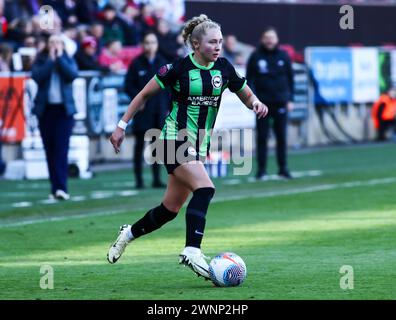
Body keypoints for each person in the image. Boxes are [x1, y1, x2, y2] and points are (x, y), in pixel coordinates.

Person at [106, 14, 268, 280]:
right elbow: (143, 95)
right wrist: (121, 126)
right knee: (205, 189)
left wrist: (256, 104)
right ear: (195, 44)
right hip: (172, 140)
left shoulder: (224, 68)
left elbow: (245, 93)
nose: (218, 47)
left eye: (220, 42)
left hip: (197, 147)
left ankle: (128, 234)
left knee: (169, 210)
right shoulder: (178, 69)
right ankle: (192, 250)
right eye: (212, 42)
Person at [31, 34, 79, 200]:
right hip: (46, 111)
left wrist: (59, 59)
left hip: (63, 111)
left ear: (62, 45)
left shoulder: (67, 59)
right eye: (51, 42)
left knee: (61, 148)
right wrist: (51, 60)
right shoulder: (42, 59)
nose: (54, 45)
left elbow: (72, 75)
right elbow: (37, 76)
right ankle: (54, 187)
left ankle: (62, 187)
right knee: (49, 149)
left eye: (57, 42)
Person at [246, 27, 294, 180]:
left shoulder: (283, 56)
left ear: (277, 39)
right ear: (262, 39)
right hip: (262, 104)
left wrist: (290, 99)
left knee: (281, 137)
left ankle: (283, 169)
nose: (269, 40)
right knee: (262, 137)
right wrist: (253, 101)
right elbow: (249, 80)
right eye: (267, 37)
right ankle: (261, 170)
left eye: (272, 37)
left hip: (280, 103)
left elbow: (290, 79)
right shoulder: (255, 56)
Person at [124, 32, 168, 189]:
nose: (150, 46)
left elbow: (169, 88)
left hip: (158, 111)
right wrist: (138, 100)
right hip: (142, 112)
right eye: (147, 42)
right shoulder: (136, 64)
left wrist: (168, 107)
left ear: (157, 45)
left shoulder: (162, 63)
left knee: (156, 146)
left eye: (153, 42)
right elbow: (128, 85)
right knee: (139, 146)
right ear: (142, 44)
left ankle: (157, 178)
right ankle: (139, 180)